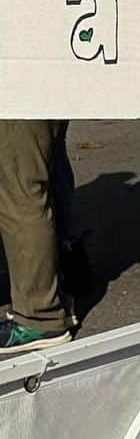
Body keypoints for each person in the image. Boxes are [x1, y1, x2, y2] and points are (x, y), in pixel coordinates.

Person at [0, 120, 73, 353]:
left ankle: (38, 316)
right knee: (41, 175)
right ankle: (54, 290)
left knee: (19, 188)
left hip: (17, 93)